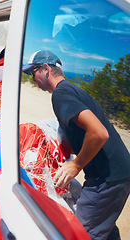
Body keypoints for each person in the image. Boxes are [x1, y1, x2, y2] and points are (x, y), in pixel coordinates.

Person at [22, 50, 130, 240]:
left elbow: (99, 132)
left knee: (79, 234)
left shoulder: (61, 94)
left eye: (34, 72)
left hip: (107, 178)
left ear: (46, 69)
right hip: (116, 172)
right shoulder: (71, 89)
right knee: (103, 225)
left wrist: (76, 164)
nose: (33, 78)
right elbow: (83, 132)